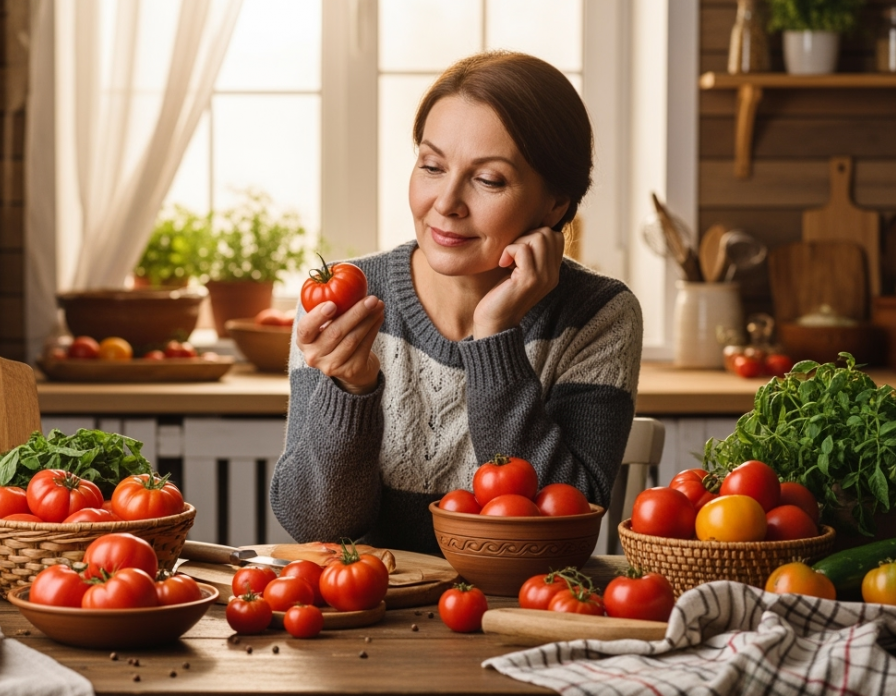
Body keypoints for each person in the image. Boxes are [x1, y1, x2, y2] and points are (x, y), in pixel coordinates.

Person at [270, 51, 643, 554]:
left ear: (555, 202)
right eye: (431, 166)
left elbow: (562, 529)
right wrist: (350, 389)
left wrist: (495, 336)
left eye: (488, 180)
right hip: (376, 610)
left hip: (521, 610)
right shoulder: (347, 298)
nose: (446, 203)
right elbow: (316, 525)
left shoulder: (599, 314)